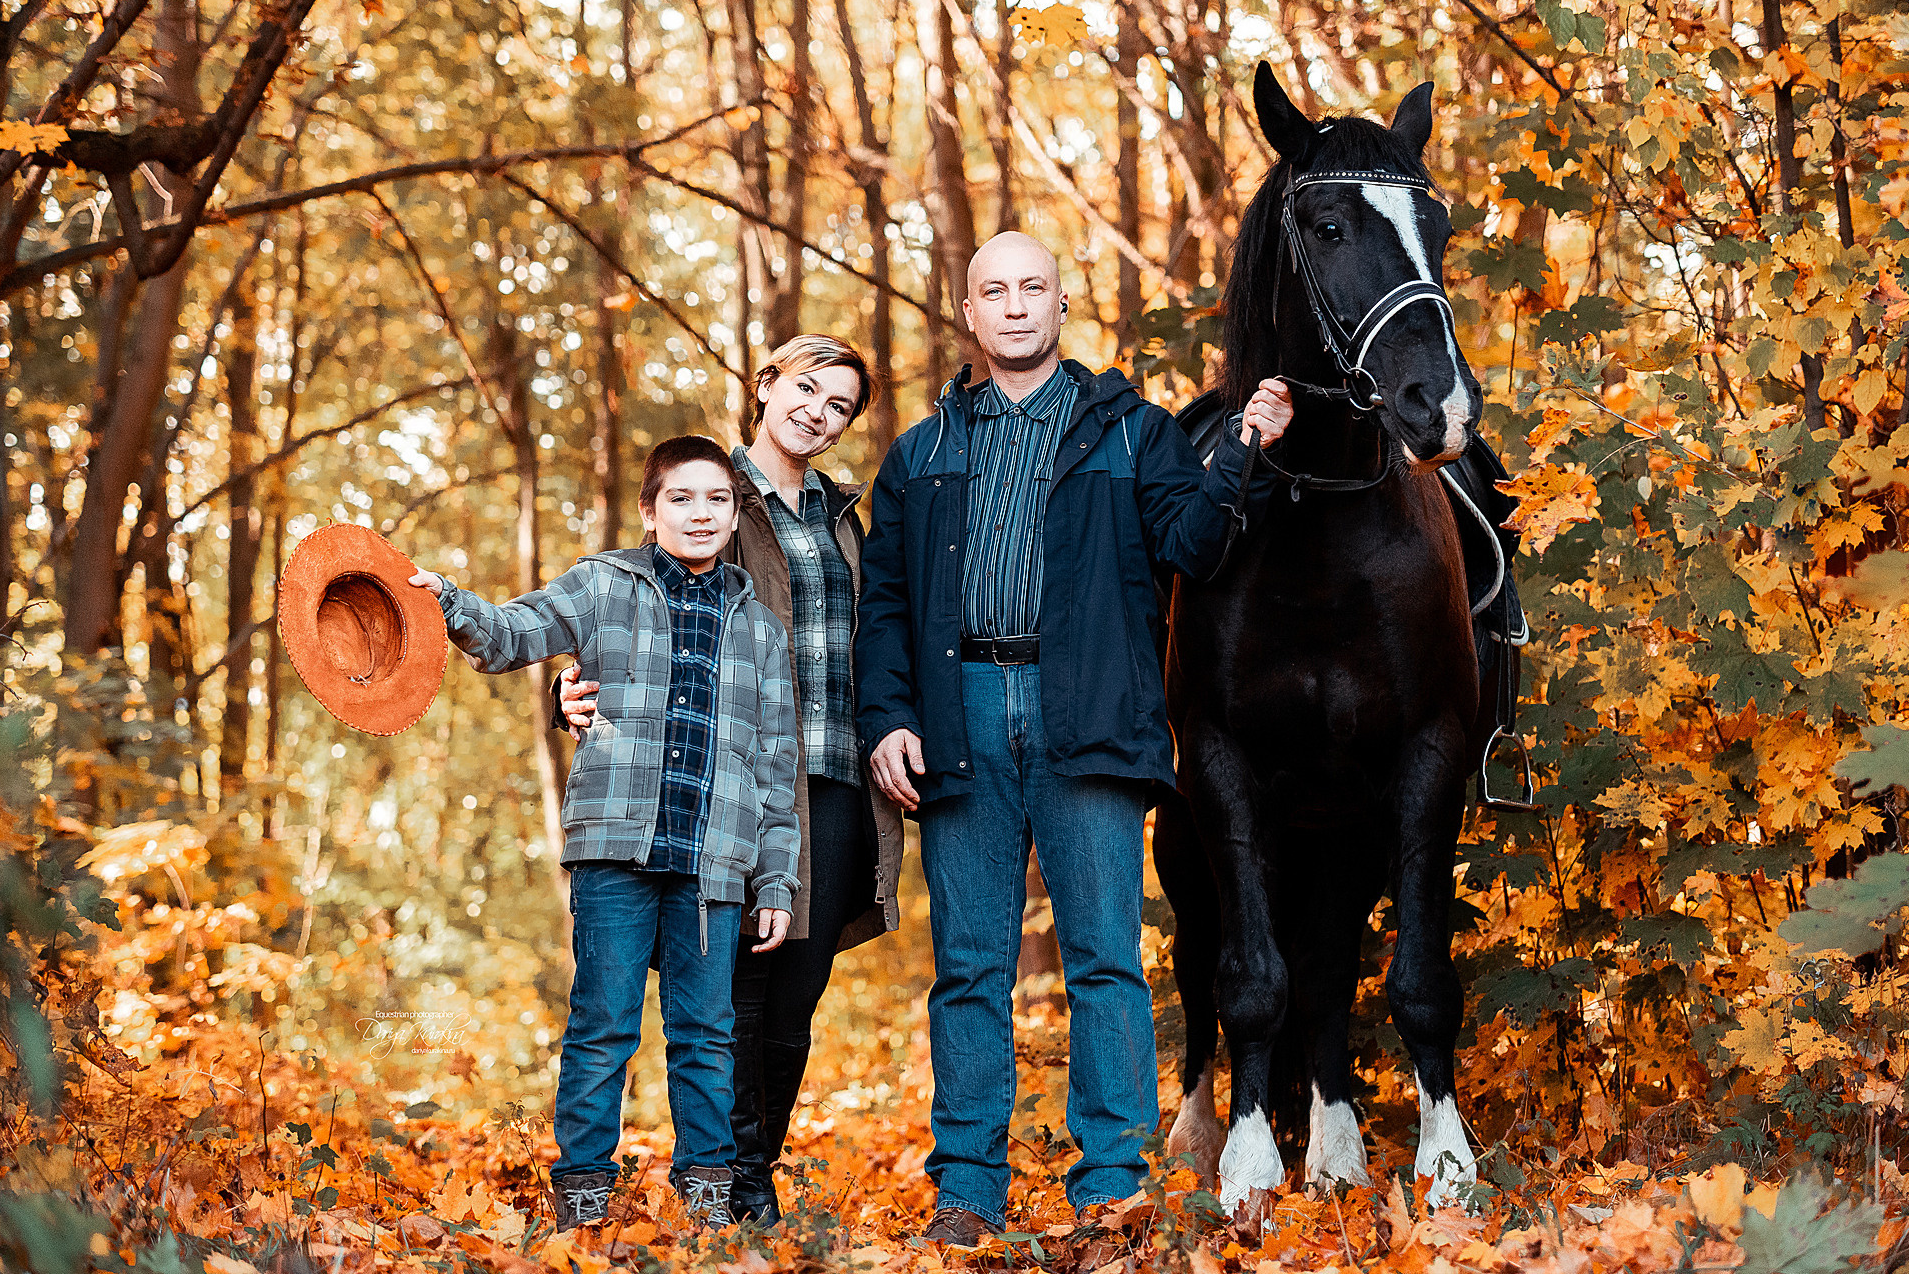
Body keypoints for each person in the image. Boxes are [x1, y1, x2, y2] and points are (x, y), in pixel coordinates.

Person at [855, 232, 1295, 1243]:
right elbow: (881, 604)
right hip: (957, 719)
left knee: (1104, 960)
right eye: (992, 292)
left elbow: (1196, 543)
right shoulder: (921, 455)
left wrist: (1246, 447)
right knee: (968, 967)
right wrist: (885, 720)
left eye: (1031, 289)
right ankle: (965, 1191)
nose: (1012, 306)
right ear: (969, 315)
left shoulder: (1132, 433)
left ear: (1061, 306)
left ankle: (1108, 1188)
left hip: (1087, 715)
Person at [408, 436, 800, 1233]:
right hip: (615, 852)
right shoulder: (601, 585)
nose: (700, 513)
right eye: (681, 499)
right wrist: (447, 598)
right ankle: (583, 1190)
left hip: (714, 863)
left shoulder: (759, 627)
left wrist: (777, 880)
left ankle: (704, 1196)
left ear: (734, 517)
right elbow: (512, 632)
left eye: (717, 500)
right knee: (603, 1025)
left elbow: (775, 760)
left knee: (706, 1036)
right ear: (651, 512)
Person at [558, 334, 905, 1224]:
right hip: (726, 783)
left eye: (838, 407)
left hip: (829, 777)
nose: (817, 414)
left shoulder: (841, 513)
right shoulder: (711, 489)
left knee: (795, 993)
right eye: (806, 390)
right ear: (766, 385)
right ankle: (729, 1187)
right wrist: (568, 687)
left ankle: (747, 1171)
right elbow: (623, 601)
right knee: (730, 991)